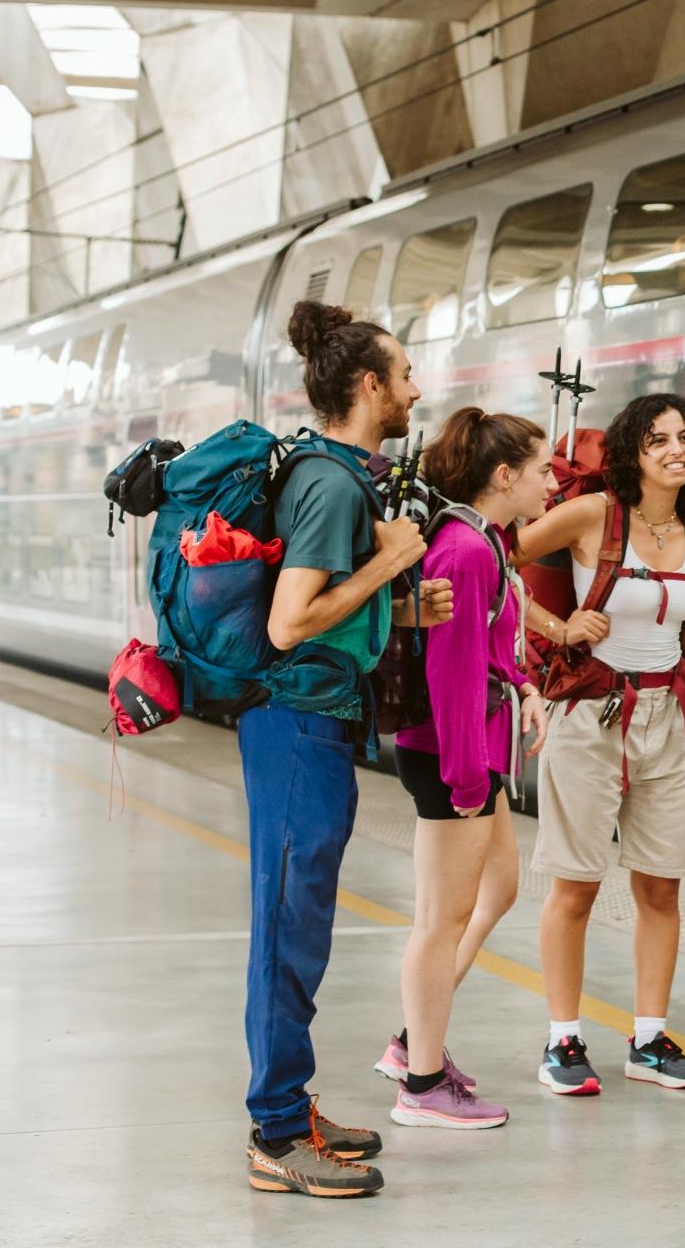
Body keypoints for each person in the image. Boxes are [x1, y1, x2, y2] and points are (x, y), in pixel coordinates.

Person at [243, 300, 451, 1197]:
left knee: (301, 928)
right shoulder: (331, 483)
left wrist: (396, 607)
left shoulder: (335, 473)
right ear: (369, 386)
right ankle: (277, 1132)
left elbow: (326, 608)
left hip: (311, 724)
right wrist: (389, 567)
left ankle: (290, 1105)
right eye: (404, 375)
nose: (415, 389)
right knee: (288, 932)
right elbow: (290, 622)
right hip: (297, 728)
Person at [514, 393, 685, 1095]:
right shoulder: (594, 515)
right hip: (592, 714)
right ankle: (562, 1040)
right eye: (658, 439)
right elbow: (496, 557)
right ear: (633, 451)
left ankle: (649, 1039)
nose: (675, 450)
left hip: (669, 717)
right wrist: (557, 624)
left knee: (661, 885)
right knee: (576, 886)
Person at [374, 408, 553, 1130]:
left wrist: (527, 688)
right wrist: (467, 781)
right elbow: (451, 675)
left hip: (479, 746)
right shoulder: (466, 550)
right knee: (439, 920)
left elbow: (491, 646)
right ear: (504, 476)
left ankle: (419, 1039)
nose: (553, 480)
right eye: (542, 469)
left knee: (499, 884)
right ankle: (418, 1078)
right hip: (455, 755)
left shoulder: (487, 541)